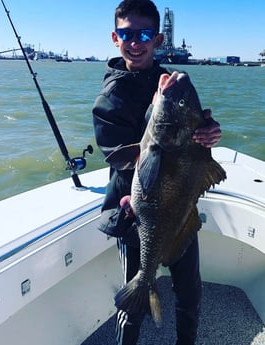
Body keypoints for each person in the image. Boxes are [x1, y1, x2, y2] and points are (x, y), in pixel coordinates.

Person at [92, 1, 221, 344]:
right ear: (115, 37)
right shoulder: (109, 98)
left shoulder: (167, 83)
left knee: (190, 292)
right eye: (127, 33)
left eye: (144, 34)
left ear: (158, 38)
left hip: (179, 207)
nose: (135, 41)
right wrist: (160, 113)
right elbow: (124, 158)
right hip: (136, 211)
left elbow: (187, 136)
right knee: (133, 301)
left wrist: (207, 131)